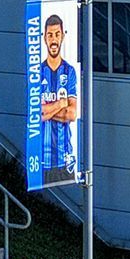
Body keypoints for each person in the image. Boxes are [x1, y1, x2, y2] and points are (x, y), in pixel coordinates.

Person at [39, 13, 78, 185]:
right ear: (44, 38)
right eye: (50, 35)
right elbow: (38, 113)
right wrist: (61, 104)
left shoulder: (69, 71)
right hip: (42, 159)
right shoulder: (37, 73)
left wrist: (49, 109)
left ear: (62, 35)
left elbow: (72, 114)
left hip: (65, 158)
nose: (53, 40)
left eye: (56, 34)